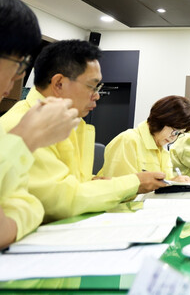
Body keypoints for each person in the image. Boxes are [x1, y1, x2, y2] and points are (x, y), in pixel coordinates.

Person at [0, 39, 167, 223]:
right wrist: (135, 182)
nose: (97, 95)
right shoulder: (23, 125)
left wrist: (93, 183)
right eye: (92, 86)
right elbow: (62, 200)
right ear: (59, 84)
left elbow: (71, 185)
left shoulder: (70, 122)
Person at [0, 0, 81, 248]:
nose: (17, 77)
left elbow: (29, 204)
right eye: (19, 63)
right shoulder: (23, 124)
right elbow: (54, 201)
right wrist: (23, 139)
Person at [99, 95, 190, 182]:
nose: (173, 137)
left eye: (179, 133)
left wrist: (175, 183)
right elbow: (120, 187)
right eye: (175, 131)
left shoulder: (163, 151)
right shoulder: (128, 141)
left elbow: (163, 184)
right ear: (161, 120)